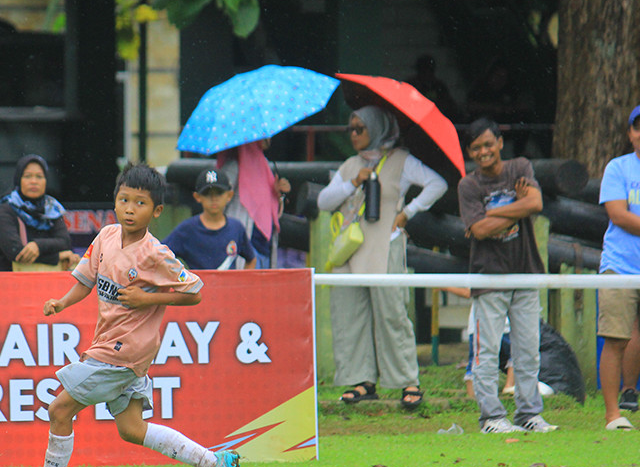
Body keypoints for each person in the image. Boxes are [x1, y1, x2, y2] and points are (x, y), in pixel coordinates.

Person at [0, 162, 239, 467]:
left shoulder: (156, 253)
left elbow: (195, 292)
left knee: (59, 409)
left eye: (140, 203)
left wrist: (147, 298)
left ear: (156, 211)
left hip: (123, 353)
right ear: (115, 202)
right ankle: (216, 465)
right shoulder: (106, 236)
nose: (129, 209)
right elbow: (85, 279)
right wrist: (62, 302)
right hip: (112, 348)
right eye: (124, 200)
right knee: (132, 429)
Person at [317, 105, 447, 410]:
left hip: (384, 245)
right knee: (350, 314)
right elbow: (325, 201)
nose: (353, 135)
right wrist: (353, 182)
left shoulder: (400, 161)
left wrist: (407, 213)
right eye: (350, 129)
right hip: (350, 249)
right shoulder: (351, 165)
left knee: (391, 313)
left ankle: (407, 380)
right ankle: (361, 380)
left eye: (360, 129)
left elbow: (437, 184)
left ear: (375, 129)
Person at [457, 118, 556, 434]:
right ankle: (491, 418)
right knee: (485, 351)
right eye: (476, 148)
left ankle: (529, 414)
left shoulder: (520, 167)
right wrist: (518, 204)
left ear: (500, 142)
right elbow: (479, 230)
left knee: (528, 348)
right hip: (489, 277)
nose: (483, 152)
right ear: (470, 152)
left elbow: (537, 203)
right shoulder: (468, 185)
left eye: (488, 144)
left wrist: (496, 211)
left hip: (525, 272)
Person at [597, 105, 640, 430]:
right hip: (621, 266)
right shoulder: (618, 168)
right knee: (616, 339)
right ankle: (614, 415)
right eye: (637, 128)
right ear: (630, 134)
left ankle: (629, 393)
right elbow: (619, 215)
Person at [0, 154, 78, 271]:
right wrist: (58, 257)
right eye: (27, 176)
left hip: (44, 282)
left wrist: (38, 246)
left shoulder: (52, 209)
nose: (34, 181)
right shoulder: (5, 210)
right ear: (18, 180)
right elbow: (17, 253)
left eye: (39, 176)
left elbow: (65, 242)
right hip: (7, 282)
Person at [216, 138, 291, 268]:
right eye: (262, 134)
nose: (268, 138)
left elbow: (267, 211)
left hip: (264, 247)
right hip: (244, 248)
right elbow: (217, 201)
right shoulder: (234, 166)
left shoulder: (264, 165)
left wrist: (278, 193)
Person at [163, 168, 256, 270]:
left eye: (219, 193)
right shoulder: (187, 230)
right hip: (199, 286)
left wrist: (243, 283)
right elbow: (160, 256)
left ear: (229, 195)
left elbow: (251, 259)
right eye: (207, 193)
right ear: (197, 197)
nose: (213, 198)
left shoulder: (236, 228)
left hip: (229, 286)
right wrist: (180, 279)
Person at [405, 54, 462, 123]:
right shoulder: (411, 85)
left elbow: (449, 105)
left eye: (429, 70)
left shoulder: (439, 86)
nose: (426, 73)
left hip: (435, 118)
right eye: (423, 70)